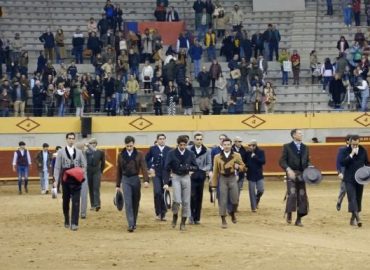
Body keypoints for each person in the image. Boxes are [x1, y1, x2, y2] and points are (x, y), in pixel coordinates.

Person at [164, 135, 198, 231]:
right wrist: (166, 182)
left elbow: (195, 167)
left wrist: (189, 168)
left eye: (184, 145)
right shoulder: (171, 153)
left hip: (186, 177)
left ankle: (183, 222)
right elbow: (166, 168)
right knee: (177, 200)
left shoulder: (190, 153)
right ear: (178, 144)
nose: (182, 146)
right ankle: (175, 215)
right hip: (176, 177)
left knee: (186, 201)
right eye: (181, 145)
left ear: (186, 144)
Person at [116, 136, 149, 232]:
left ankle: (134, 221)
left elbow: (144, 167)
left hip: (135, 179)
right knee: (128, 202)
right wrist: (117, 185)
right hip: (125, 179)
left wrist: (146, 180)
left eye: (130, 146)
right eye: (127, 146)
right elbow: (119, 171)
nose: (129, 148)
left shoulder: (139, 154)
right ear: (125, 145)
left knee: (135, 202)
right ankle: (130, 224)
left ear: (133, 144)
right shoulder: (120, 155)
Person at [53, 133, 86, 231]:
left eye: (73, 138)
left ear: (74, 140)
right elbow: (57, 167)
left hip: (76, 178)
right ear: (66, 140)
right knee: (66, 200)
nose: (71, 140)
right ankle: (67, 219)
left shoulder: (79, 152)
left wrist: (80, 172)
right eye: (69, 138)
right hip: (66, 177)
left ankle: (75, 223)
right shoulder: (61, 152)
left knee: (76, 201)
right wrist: (55, 180)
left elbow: (84, 165)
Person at [211, 137, 245, 229]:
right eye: (225, 145)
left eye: (228, 144)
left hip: (232, 178)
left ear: (231, 145)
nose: (226, 146)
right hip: (222, 178)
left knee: (235, 200)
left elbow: (243, 166)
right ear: (222, 145)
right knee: (222, 200)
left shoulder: (236, 155)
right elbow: (215, 171)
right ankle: (223, 219)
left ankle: (232, 213)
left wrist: (238, 167)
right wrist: (213, 185)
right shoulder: (217, 157)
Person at [279, 129, 311, 227]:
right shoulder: (287, 146)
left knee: (302, 195)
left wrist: (310, 166)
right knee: (292, 194)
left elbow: (307, 161)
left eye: (302, 133)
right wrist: (288, 169)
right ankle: (289, 212)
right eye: (299, 133)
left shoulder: (305, 147)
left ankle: (299, 219)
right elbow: (282, 161)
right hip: (291, 173)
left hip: (302, 174)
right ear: (294, 135)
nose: (301, 135)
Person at [340, 134, 369, 226]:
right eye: (353, 144)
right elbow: (342, 163)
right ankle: (358, 218)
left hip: (360, 179)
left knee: (358, 198)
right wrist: (351, 154)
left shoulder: (363, 150)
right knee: (352, 198)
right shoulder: (345, 151)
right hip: (349, 178)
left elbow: (367, 163)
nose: (355, 146)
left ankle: (353, 218)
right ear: (350, 142)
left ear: (359, 142)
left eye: (357, 144)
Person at [145, 134, 172, 221]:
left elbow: (173, 161)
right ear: (157, 140)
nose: (162, 140)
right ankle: (158, 212)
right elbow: (145, 160)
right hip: (155, 173)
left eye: (163, 139)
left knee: (163, 192)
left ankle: (163, 213)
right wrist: (149, 169)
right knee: (157, 192)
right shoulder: (153, 149)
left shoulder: (169, 150)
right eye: (160, 139)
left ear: (165, 140)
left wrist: (172, 171)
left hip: (166, 174)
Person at [188, 132, 212, 224]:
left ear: (202, 140)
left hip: (201, 176)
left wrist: (201, 170)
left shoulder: (207, 150)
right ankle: (191, 216)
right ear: (194, 140)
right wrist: (190, 170)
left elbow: (209, 164)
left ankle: (197, 218)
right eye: (197, 139)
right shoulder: (188, 149)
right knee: (192, 196)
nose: (199, 141)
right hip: (191, 175)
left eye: (200, 139)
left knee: (199, 197)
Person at [245, 139, 265, 212]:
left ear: (255, 146)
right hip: (250, 174)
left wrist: (255, 157)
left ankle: (257, 199)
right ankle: (253, 207)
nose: (249, 147)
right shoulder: (247, 153)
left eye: (251, 145)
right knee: (251, 191)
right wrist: (245, 167)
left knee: (261, 189)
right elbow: (244, 162)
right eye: (249, 145)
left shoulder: (260, 152)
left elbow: (263, 161)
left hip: (259, 174)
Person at [85, 138, 105, 212]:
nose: (92, 144)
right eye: (91, 143)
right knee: (90, 188)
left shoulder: (100, 152)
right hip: (89, 170)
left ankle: (97, 204)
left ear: (96, 144)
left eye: (93, 143)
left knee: (96, 187)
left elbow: (103, 162)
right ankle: (93, 205)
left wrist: (101, 171)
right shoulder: (86, 152)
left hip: (97, 171)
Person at [335, 135, 352, 211]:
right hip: (344, 171)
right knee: (344, 189)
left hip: (353, 172)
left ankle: (352, 206)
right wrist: (339, 172)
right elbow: (338, 161)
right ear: (347, 141)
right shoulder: (342, 149)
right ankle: (339, 201)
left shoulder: (357, 149)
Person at [231, 136, 248, 206]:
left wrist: (244, 169)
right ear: (235, 142)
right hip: (231, 173)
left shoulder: (244, 150)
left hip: (240, 173)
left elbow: (245, 162)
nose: (240, 143)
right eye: (238, 141)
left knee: (238, 189)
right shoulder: (230, 149)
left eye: (241, 141)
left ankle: (235, 204)